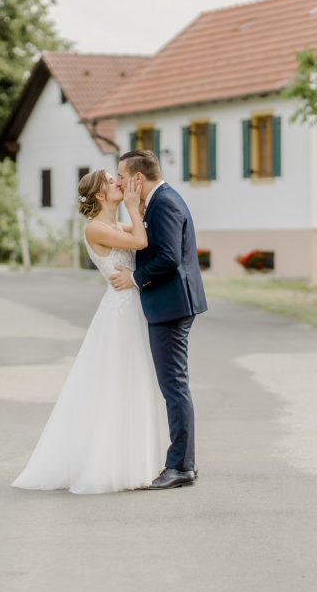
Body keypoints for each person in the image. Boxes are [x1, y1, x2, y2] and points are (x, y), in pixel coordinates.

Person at [12, 170, 168, 494]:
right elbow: (140, 241)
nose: (118, 183)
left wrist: (136, 205)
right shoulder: (96, 228)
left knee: (133, 380)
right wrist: (133, 206)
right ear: (99, 195)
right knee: (115, 382)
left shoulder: (114, 225)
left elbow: (145, 236)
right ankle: (106, 464)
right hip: (119, 311)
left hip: (131, 307)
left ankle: (135, 459)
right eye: (111, 181)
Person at [110, 150, 207, 490]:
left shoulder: (164, 202)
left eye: (121, 175)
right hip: (170, 304)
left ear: (137, 178)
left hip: (172, 306)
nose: (119, 181)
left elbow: (168, 256)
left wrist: (135, 280)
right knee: (174, 385)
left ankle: (181, 465)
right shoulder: (155, 202)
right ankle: (184, 461)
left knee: (174, 386)